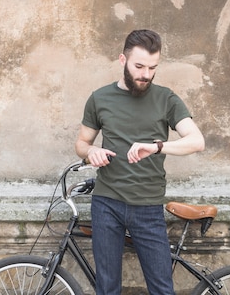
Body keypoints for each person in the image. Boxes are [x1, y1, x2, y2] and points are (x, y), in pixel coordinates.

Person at [75, 29, 205, 295]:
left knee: (161, 288)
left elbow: (196, 141)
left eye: (152, 67)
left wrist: (157, 146)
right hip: (106, 204)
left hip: (148, 206)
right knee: (107, 287)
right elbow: (81, 143)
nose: (146, 74)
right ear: (122, 60)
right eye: (139, 66)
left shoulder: (166, 99)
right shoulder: (100, 98)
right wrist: (90, 153)